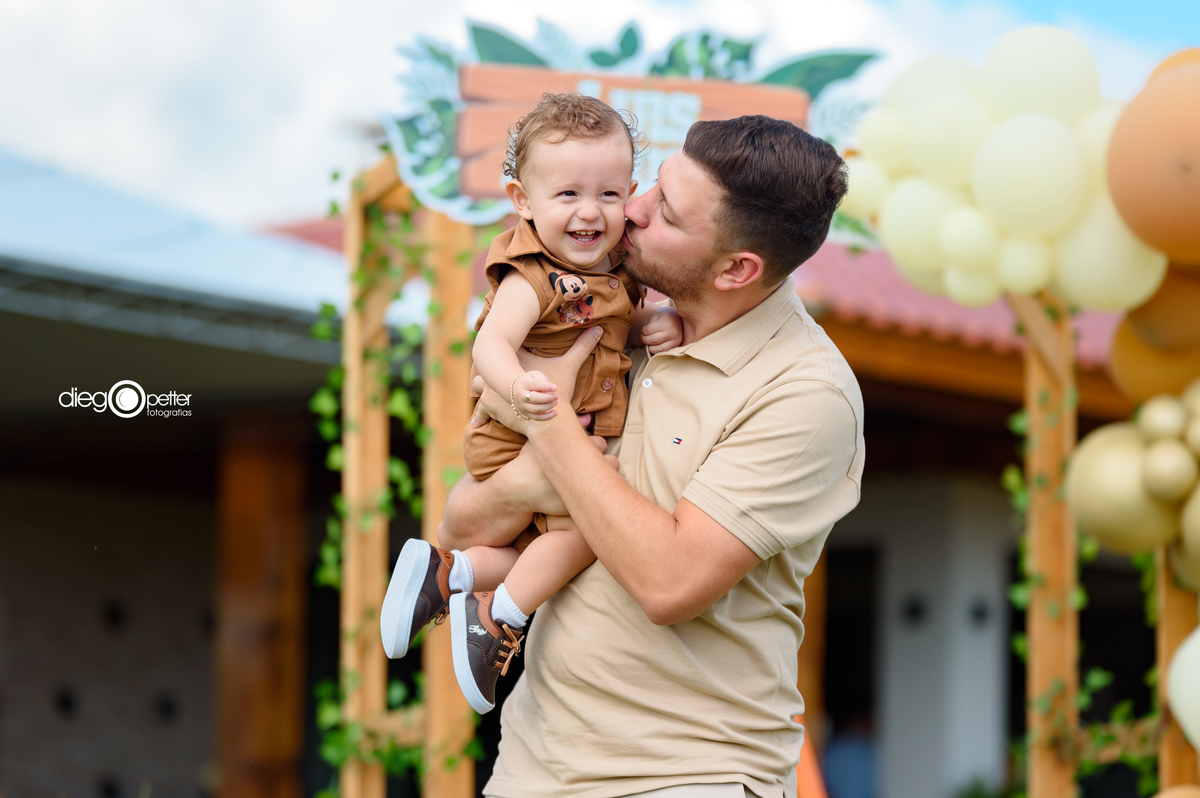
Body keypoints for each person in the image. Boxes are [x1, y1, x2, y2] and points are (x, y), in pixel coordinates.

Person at [441, 115, 865, 798]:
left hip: (690, 776)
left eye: (663, 210)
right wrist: (516, 482)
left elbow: (669, 584)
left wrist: (545, 417)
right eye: (653, 186)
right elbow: (460, 528)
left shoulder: (805, 393)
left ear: (737, 268)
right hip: (531, 770)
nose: (627, 210)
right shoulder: (616, 323)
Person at [378, 93, 684, 714]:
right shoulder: (532, 274)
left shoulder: (616, 272)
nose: (589, 213)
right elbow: (490, 343)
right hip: (521, 431)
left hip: (557, 432)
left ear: (629, 192)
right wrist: (519, 389)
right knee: (591, 532)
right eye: (566, 194)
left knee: (528, 550)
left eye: (606, 194)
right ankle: (500, 618)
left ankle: (448, 575)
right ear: (523, 202)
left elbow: (617, 326)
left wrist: (662, 322)